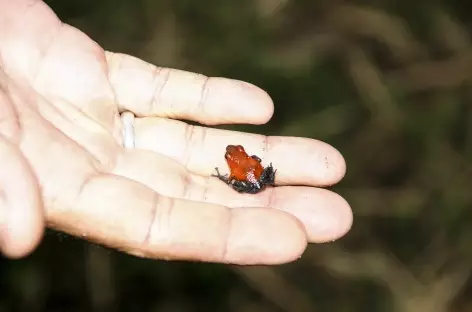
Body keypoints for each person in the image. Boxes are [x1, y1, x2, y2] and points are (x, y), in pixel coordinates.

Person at [0, 0, 352, 264]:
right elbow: (248, 166)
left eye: (234, 156)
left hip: (255, 178)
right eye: (233, 157)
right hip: (255, 177)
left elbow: (250, 167)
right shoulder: (239, 163)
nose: (233, 157)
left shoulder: (241, 164)